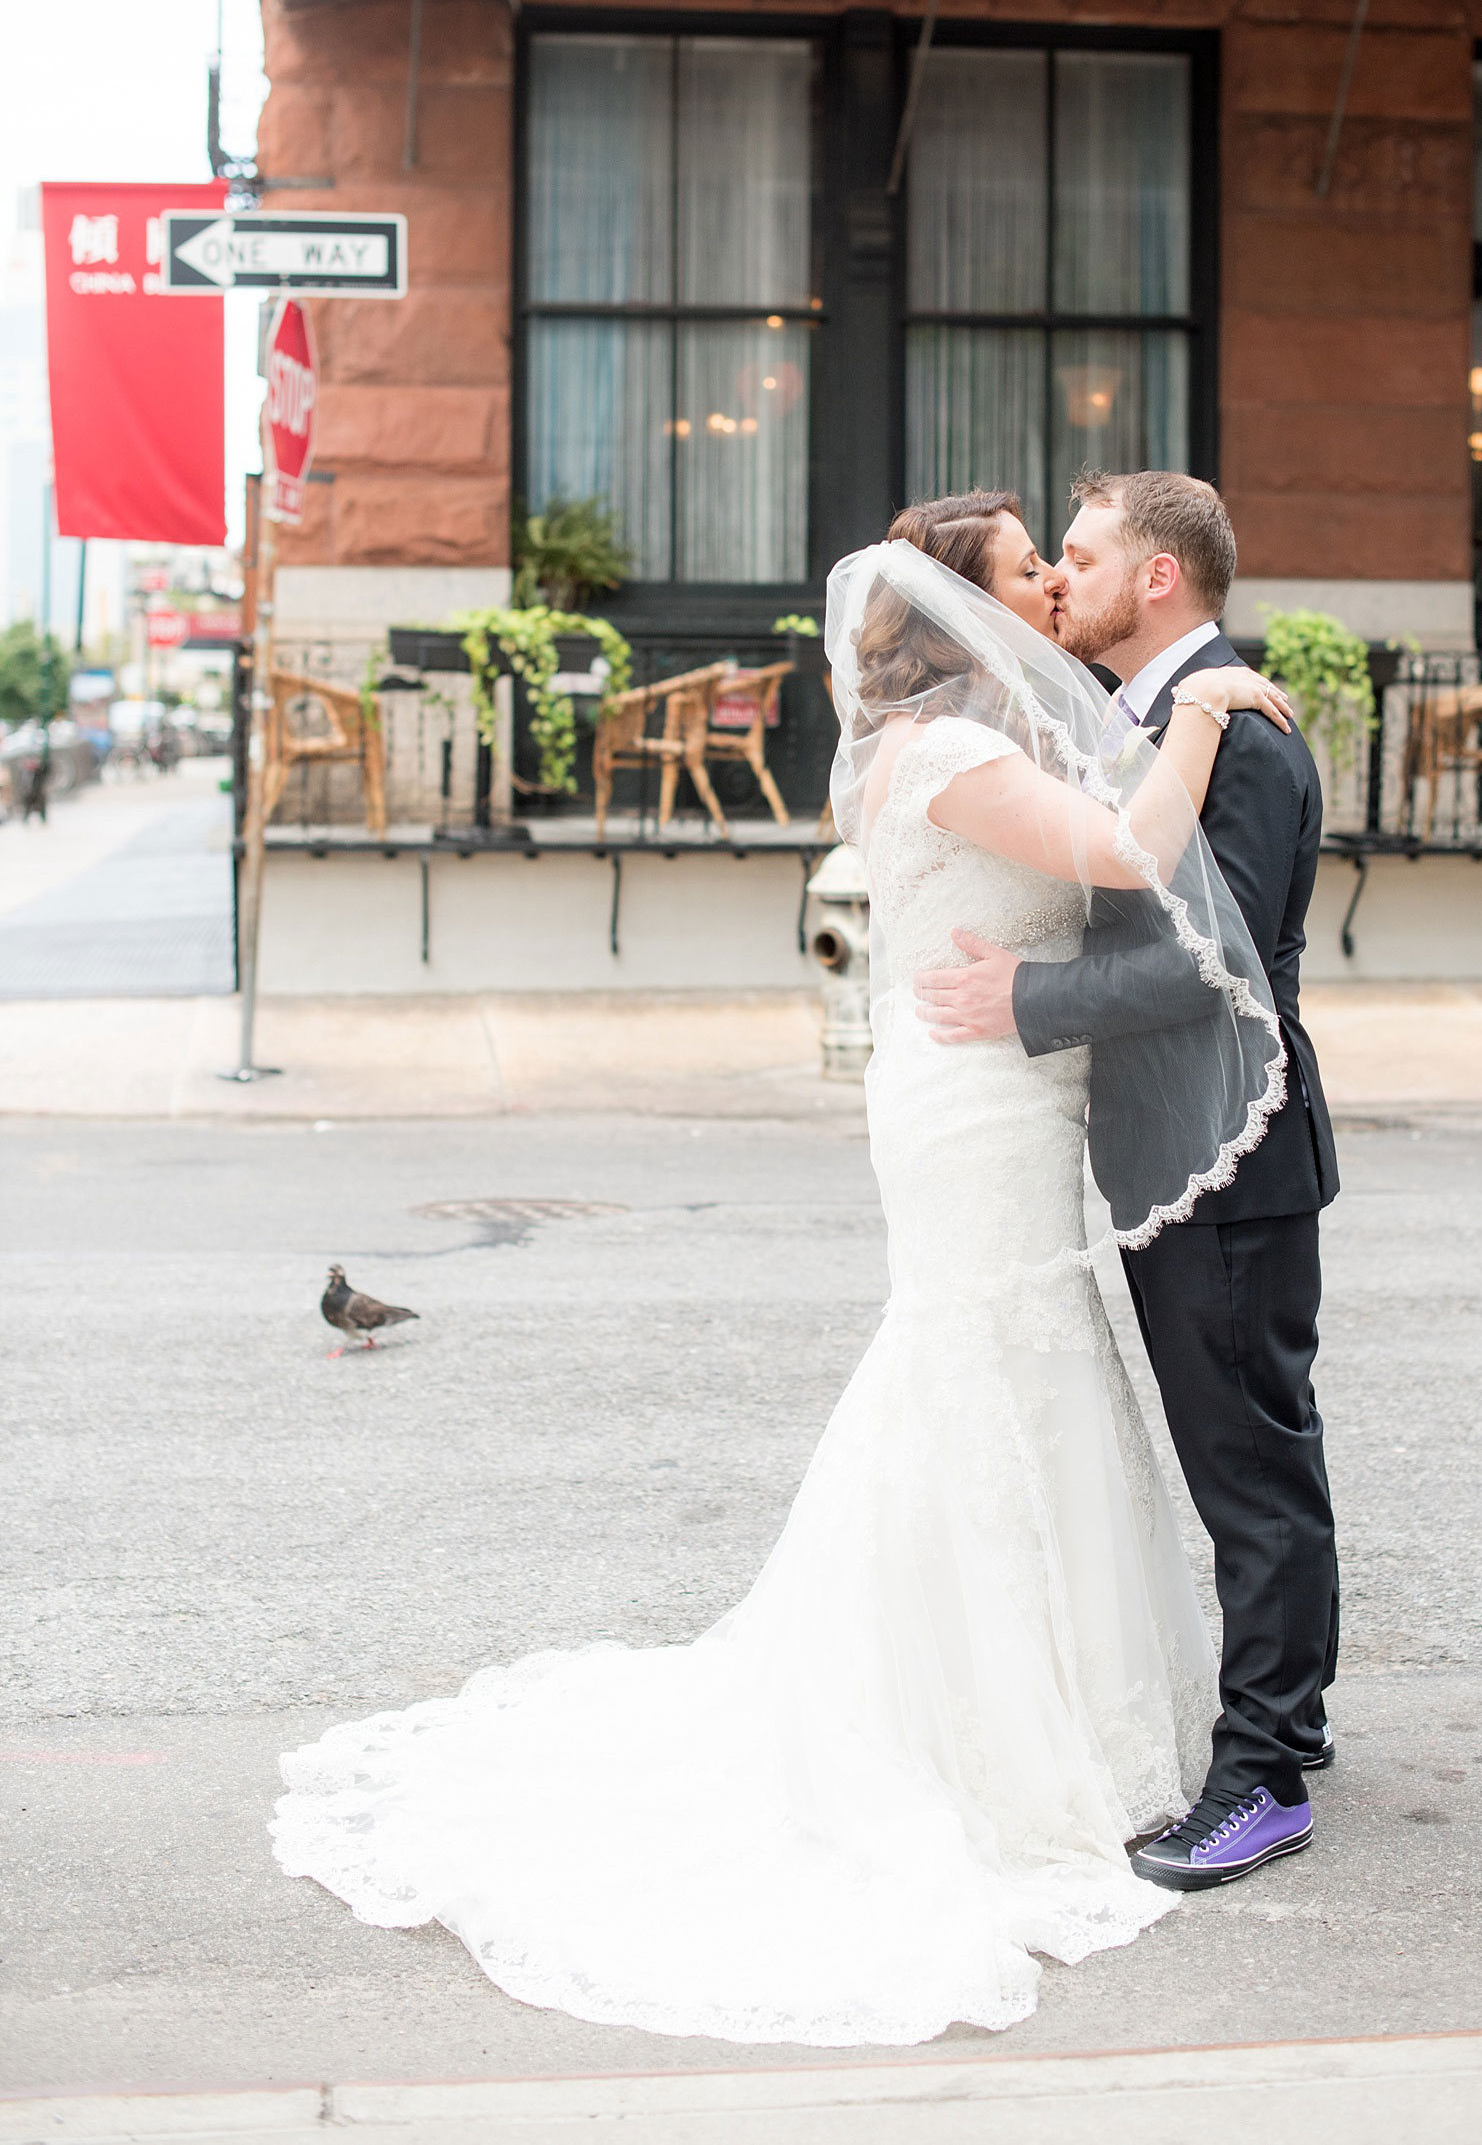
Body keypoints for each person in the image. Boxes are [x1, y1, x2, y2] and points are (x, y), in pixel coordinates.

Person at [271, 490, 1292, 2044]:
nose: (1048, 588)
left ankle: (1061, 1709)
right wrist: (1208, 708)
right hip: (974, 1106)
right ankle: (969, 1730)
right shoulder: (943, 751)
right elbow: (1126, 844)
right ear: (964, 608)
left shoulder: (959, 732)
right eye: (1029, 569)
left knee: (1018, 1372)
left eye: (1058, 562)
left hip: (998, 1100)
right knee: (979, 1375)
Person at [916, 470, 1340, 1893]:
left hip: (1232, 1158)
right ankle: (1297, 1714)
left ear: (1156, 579)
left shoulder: (1244, 732)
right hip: (1178, 1158)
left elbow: (1206, 962)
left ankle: (1265, 1771)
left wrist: (1030, 996)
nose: (1062, 582)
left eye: (1081, 557)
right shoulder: (1147, 719)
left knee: (1249, 1467)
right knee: (1256, 1446)